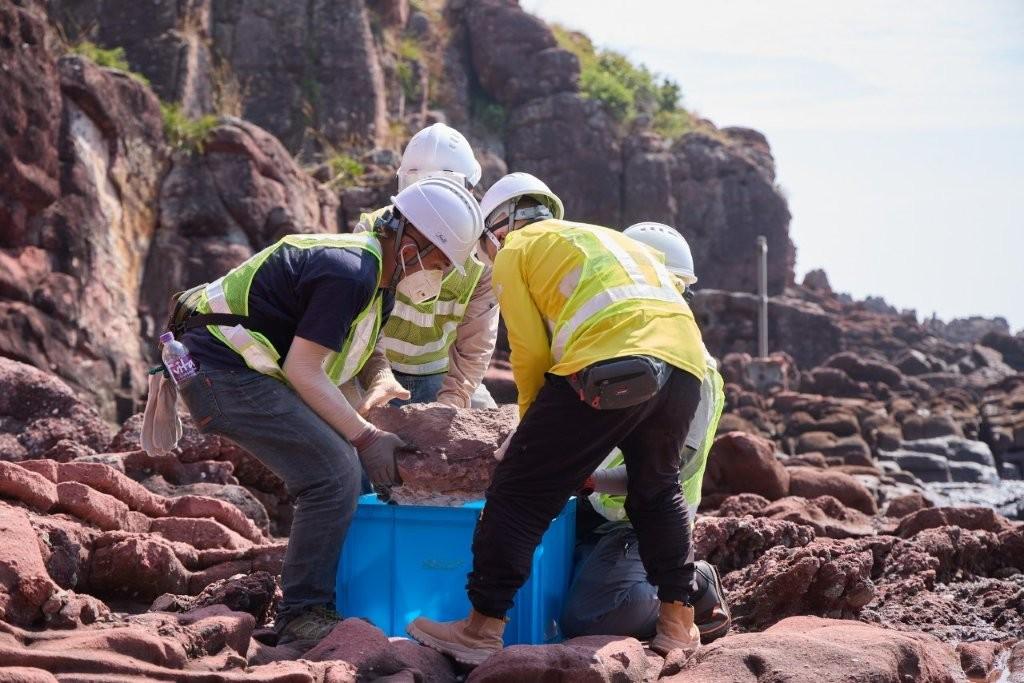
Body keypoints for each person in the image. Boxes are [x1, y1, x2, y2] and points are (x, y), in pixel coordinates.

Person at [407, 173, 708, 666]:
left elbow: (528, 356)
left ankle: (481, 629)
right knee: (658, 487)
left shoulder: (515, 250)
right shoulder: (600, 236)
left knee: (521, 492)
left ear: (495, 228)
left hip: (614, 365)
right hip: (686, 365)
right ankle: (678, 625)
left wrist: (525, 439)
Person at [172, 177, 483, 646]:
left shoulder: (378, 280)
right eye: (438, 262)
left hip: (231, 370)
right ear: (411, 243)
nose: (437, 276)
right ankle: (302, 612)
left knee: (337, 464)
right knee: (334, 472)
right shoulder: (350, 270)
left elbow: (342, 360)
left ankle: (323, 596)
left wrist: (376, 394)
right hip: (222, 373)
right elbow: (304, 368)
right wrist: (367, 438)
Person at [560, 221, 731, 644]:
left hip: (641, 521)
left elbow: (662, 474)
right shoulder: (612, 352)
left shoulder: (697, 374)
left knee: (591, 617)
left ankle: (695, 585)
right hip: (596, 510)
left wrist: (591, 478)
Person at [352, 122, 500, 412]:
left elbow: (477, 342)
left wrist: (452, 401)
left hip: (441, 375)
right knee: (350, 434)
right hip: (371, 369)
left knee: (494, 433)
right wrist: (379, 376)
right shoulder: (375, 232)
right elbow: (359, 321)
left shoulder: (483, 253)